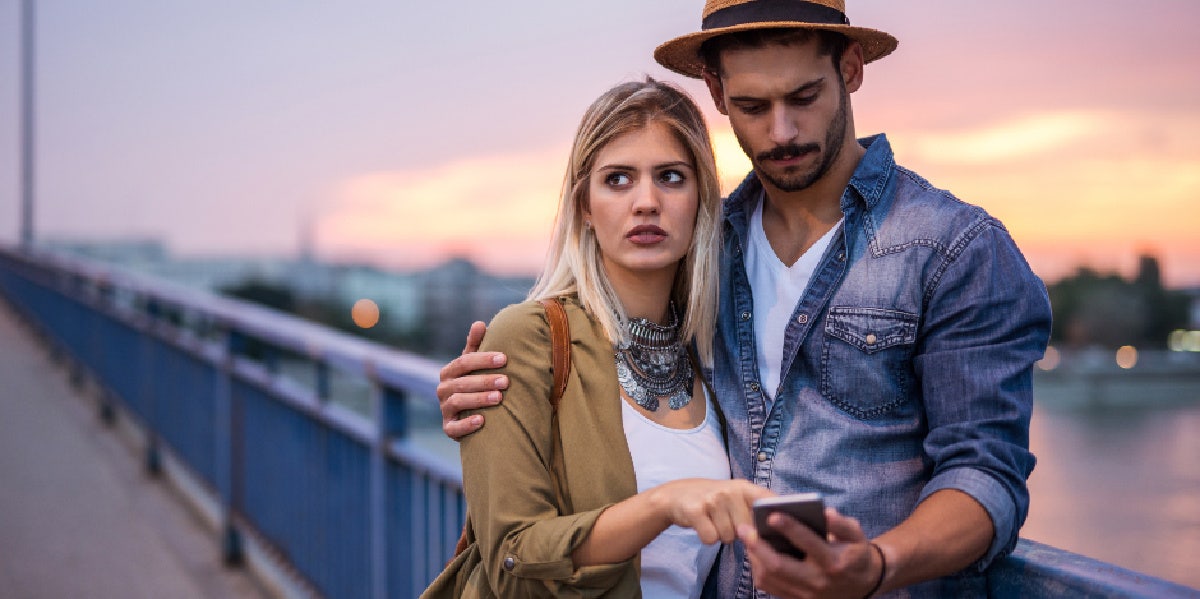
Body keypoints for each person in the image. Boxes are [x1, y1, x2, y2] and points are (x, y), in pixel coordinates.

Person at [437, 1, 1053, 597]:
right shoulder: (705, 251)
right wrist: (498, 394)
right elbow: (605, 358)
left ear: (852, 68)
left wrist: (871, 567)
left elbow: (986, 474)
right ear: (715, 90)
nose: (781, 132)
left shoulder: (955, 248)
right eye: (752, 106)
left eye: (804, 98)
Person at [422, 78, 775, 599]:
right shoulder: (529, 338)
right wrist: (665, 503)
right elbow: (513, 560)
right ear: (584, 204)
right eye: (618, 180)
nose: (647, 202)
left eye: (671, 177)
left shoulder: (714, 352)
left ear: (701, 198)